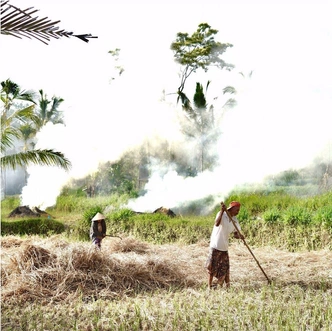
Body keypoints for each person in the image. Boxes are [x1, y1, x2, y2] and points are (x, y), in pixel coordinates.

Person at [206, 201, 244, 288]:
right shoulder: (222, 214)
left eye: (239, 210)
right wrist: (222, 211)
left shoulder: (235, 220)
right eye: (237, 210)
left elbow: (235, 234)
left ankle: (228, 286)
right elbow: (216, 224)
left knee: (225, 267)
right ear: (231, 209)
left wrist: (240, 236)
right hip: (216, 244)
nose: (238, 212)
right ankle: (209, 286)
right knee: (212, 267)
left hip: (224, 246)